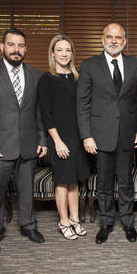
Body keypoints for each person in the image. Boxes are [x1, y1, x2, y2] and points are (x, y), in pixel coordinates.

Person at [0, 28, 47, 258]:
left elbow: (39, 112)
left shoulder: (35, 75)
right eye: (12, 45)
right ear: (2, 46)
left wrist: (42, 140)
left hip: (28, 144)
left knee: (27, 189)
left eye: (21, 46)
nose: (16, 50)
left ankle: (28, 225)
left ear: (26, 48)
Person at [77, 23, 137, 244]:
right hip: (100, 135)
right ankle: (106, 223)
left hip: (127, 134)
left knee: (126, 182)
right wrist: (86, 135)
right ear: (102, 39)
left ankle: (127, 222)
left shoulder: (136, 65)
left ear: (124, 41)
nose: (114, 41)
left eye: (118, 37)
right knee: (104, 183)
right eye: (109, 36)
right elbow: (82, 103)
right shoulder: (89, 66)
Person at [38, 34, 91, 240]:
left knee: (74, 180)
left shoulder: (77, 77)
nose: (64, 54)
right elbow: (45, 113)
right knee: (62, 181)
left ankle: (75, 219)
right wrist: (57, 141)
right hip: (59, 137)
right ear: (52, 53)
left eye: (67, 50)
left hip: (77, 136)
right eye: (59, 50)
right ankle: (63, 221)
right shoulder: (47, 78)